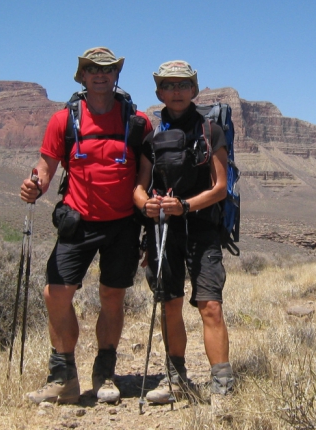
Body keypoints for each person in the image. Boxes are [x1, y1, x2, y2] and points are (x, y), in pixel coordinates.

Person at [20, 47, 152, 405]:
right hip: (77, 221)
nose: (99, 74)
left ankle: (105, 372)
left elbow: (146, 173)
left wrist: (147, 223)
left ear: (116, 76)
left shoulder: (138, 122)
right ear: (81, 76)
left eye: (107, 69)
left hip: (123, 224)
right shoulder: (63, 120)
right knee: (56, 294)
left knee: (112, 297)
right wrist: (34, 185)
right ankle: (64, 378)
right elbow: (45, 169)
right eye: (91, 69)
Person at [133, 60, 235, 416]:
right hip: (164, 231)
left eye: (183, 85)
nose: (176, 92)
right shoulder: (151, 137)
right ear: (159, 92)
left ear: (194, 90)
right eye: (168, 86)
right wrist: (147, 205)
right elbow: (139, 186)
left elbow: (220, 188)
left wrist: (185, 206)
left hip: (202, 230)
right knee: (170, 303)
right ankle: (176, 378)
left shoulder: (211, 131)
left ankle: (222, 385)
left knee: (210, 305)